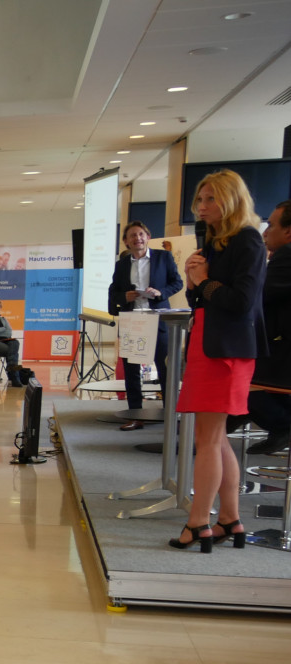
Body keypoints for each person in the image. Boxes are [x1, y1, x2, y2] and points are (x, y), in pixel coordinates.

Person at [171, 169, 268, 552]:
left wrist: (206, 280)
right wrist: (195, 281)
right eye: (200, 200)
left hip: (227, 350)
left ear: (230, 199)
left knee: (207, 440)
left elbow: (241, 302)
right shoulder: (217, 242)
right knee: (217, 438)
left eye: (210, 199)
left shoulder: (248, 241)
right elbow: (205, 299)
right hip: (210, 343)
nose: (203, 207)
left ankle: (198, 524)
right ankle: (230, 518)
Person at [108, 220, 184, 429]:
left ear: (148, 237)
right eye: (132, 235)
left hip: (158, 318)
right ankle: (135, 415)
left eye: (141, 234)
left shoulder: (163, 257)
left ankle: (171, 415)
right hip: (133, 321)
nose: (138, 238)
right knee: (132, 371)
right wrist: (125, 296)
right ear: (126, 241)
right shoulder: (121, 265)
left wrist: (161, 293)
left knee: (165, 368)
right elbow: (113, 291)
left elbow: (177, 282)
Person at [248, 199, 291, 455]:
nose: (265, 233)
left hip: (285, 354)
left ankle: (283, 425)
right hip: (280, 349)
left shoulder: (287, 255)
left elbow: (256, 296)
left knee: (234, 376)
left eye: (271, 226)